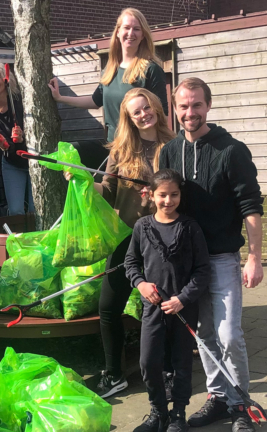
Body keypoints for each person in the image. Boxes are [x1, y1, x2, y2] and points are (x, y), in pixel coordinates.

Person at [159, 77, 264, 432]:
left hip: (220, 259)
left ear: (208, 106)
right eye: (184, 106)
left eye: (197, 105)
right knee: (202, 335)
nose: (190, 112)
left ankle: (241, 404)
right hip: (186, 263)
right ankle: (218, 398)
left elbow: (251, 206)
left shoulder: (232, 151)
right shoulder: (169, 151)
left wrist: (254, 257)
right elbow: (166, 201)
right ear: (175, 109)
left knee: (229, 335)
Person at [65, 88, 176, 398]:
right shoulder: (121, 151)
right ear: (128, 118)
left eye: (146, 107)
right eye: (135, 112)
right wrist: (82, 181)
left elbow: (182, 193)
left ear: (155, 107)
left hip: (163, 239)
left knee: (159, 307)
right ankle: (114, 374)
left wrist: (157, 195)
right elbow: (109, 191)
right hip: (128, 237)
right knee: (109, 307)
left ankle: (167, 372)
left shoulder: (172, 147)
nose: (143, 114)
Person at [125, 169, 210, 432]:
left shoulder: (190, 227)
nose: (168, 200)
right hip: (153, 309)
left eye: (174, 195)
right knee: (149, 362)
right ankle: (158, 412)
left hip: (183, 309)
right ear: (151, 195)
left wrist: (183, 299)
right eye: (162, 195)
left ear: (180, 196)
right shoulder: (142, 227)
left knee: (182, 362)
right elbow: (131, 262)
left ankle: (178, 415)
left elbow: (203, 270)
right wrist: (140, 284)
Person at [48, 7, 168, 143]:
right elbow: (95, 101)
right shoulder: (110, 70)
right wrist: (60, 98)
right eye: (126, 27)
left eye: (136, 29)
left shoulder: (151, 69)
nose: (131, 33)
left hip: (139, 147)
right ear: (118, 32)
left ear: (143, 35)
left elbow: (163, 114)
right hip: (113, 146)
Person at [0, 61, 34, 216]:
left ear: (6, 79)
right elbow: (9, 149)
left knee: (34, 210)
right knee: (16, 210)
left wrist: (23, 138)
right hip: (13, 164)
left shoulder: (22, 103)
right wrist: (5, 146)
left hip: (34, 160)